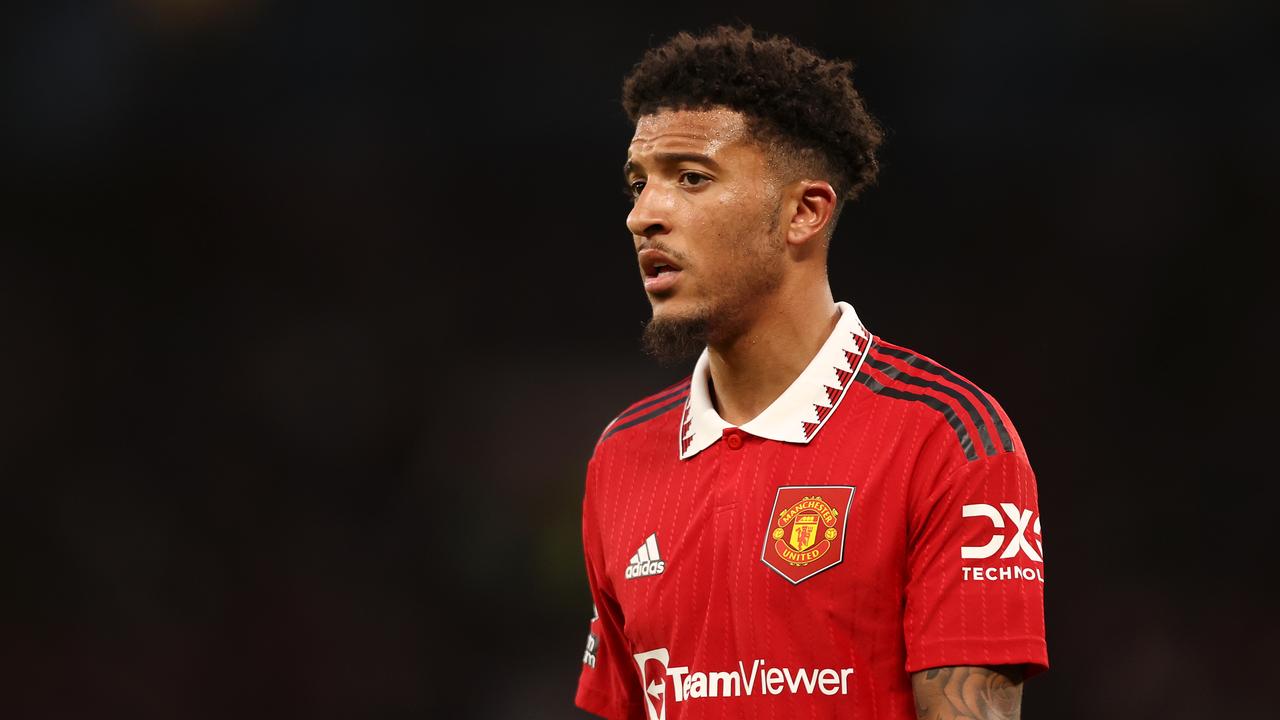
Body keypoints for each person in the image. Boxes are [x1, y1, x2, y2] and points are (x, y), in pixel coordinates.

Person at [575, 24, 1047, 720]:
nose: (644, 216)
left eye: (692, 178)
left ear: (804, 212)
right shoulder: (620, 456)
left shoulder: (948, 440)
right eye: (638, 184)